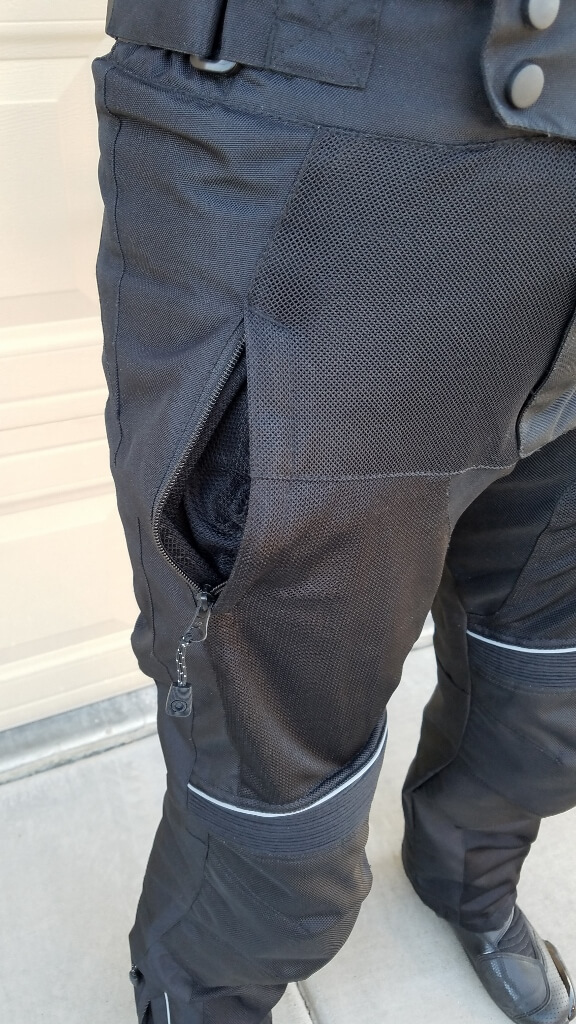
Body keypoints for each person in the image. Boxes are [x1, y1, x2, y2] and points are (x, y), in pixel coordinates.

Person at [93, 2, 576, 1022]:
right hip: (338, 153)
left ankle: (467, 878)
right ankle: (206, 1000)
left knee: (548, 688)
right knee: (273, 779)